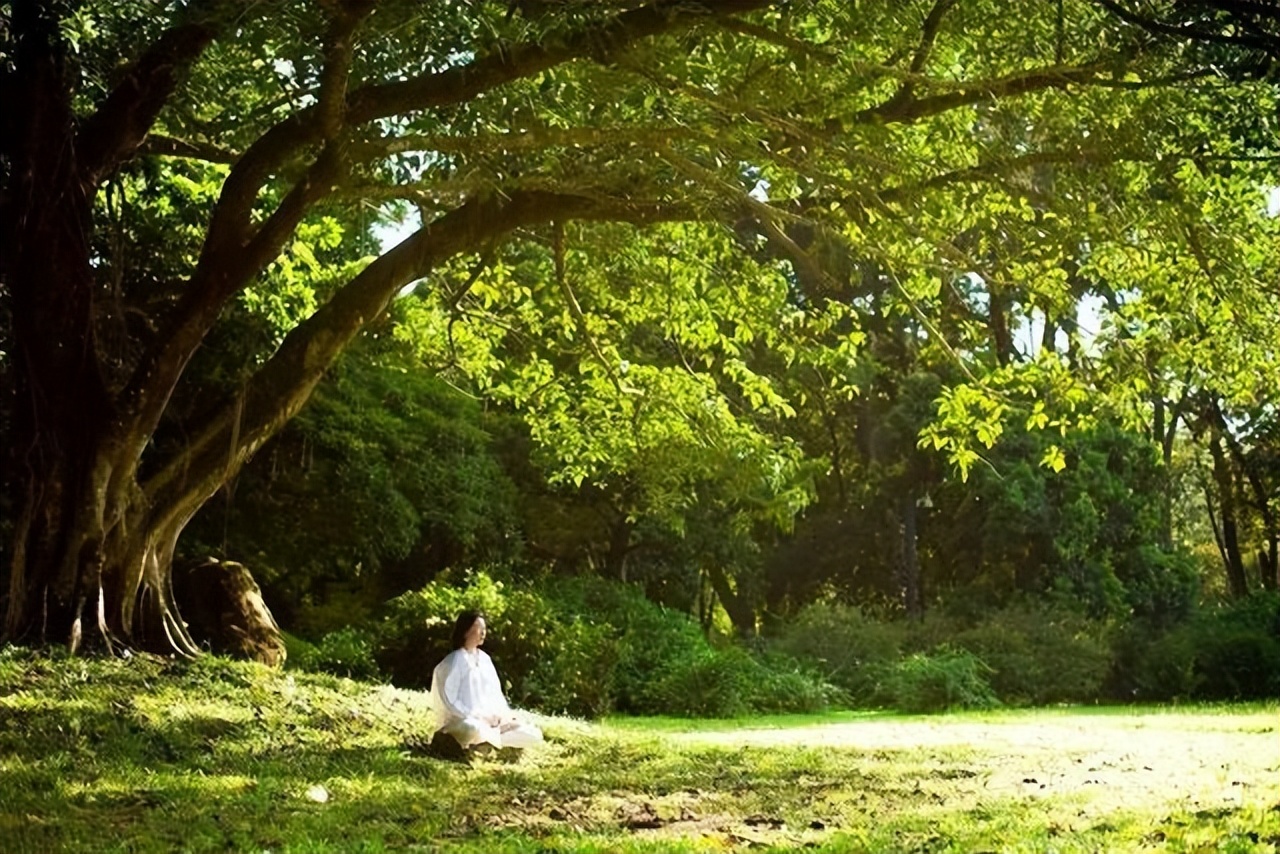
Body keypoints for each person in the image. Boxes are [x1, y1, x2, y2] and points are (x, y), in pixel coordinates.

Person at [429, 610, 543, 752]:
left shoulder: (485, 660)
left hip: (491, 723)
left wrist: (503, 719)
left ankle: (487, 742)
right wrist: (480, 718)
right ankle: (477, 741)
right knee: (472, 728)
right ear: (466, 631)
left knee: (532, 733)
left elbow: (496, 695)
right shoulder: (452, 662)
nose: (483, 633)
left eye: (484, 629)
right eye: (479, 629)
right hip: (463, 721)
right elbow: (449, 701)